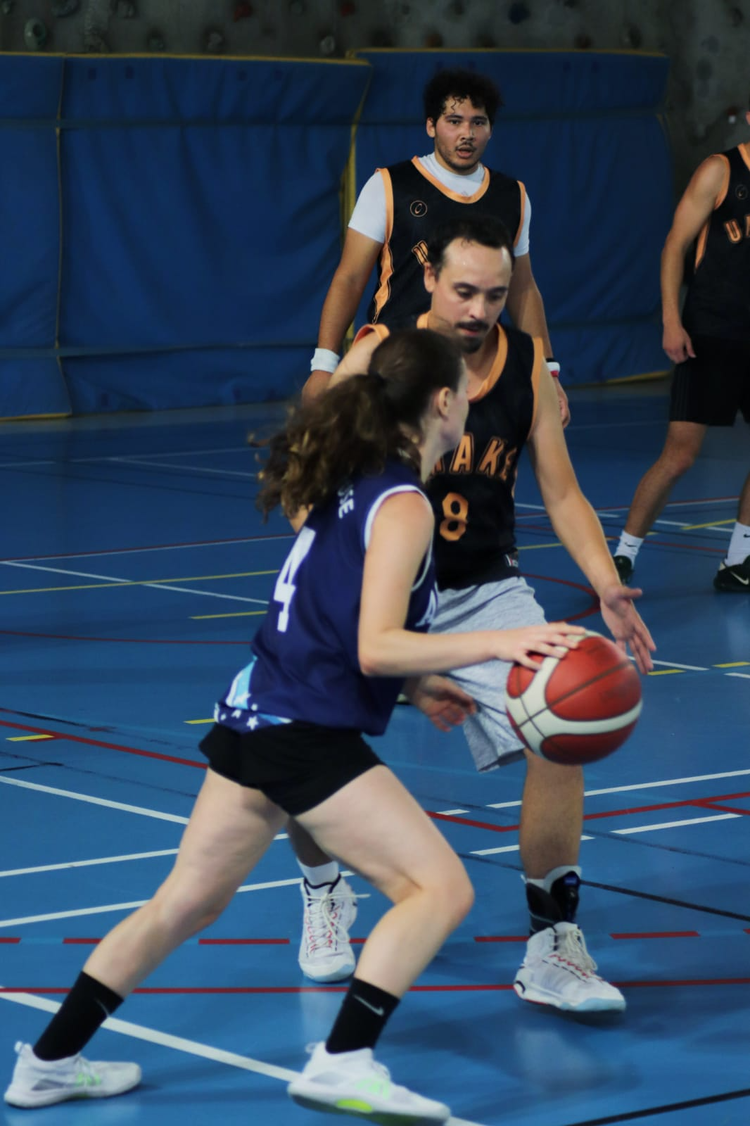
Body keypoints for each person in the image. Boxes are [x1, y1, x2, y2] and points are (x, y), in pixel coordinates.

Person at [4, 329, 585, 1121]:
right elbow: (374, 645)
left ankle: (46, 1061)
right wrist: (503, 639)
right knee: (438, 889)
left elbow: (338, 620)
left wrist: (421, 687)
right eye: (463, 396)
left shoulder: (354, 478)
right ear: (445, 403)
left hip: (253, 709)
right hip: (298, 729)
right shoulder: (407, 503)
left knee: (184, 902)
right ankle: (344, 1061)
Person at [289, 215, 656, 1012]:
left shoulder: (525, 368)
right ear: (428, 273)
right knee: (311, 740)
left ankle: (551, 943)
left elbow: (561, 491)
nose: (479, 310)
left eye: (495, 294)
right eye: (464, 291)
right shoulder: (385, 357)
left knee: (559, 718)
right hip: (377, 587)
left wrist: (605, 585)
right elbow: (306, 487)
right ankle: (323, 892)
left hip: (483, 587)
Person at [305, 66, 570, 425]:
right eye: (454, 121)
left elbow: (523, 289)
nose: (467, 134)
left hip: (473, 371)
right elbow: (350, 277)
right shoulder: (389, 185)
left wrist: (549, 372)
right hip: (396, 363)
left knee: (475, 479)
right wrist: (324, 364)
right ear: (431, 126)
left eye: (478, 123)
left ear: (491, 129)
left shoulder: (513, 197)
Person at [613, 111, 750, 591]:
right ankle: (624, 553)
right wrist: (671, 319)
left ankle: (741, 559)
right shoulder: (722, 170)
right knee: (680, 457)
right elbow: (675, 245)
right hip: (711, 332)